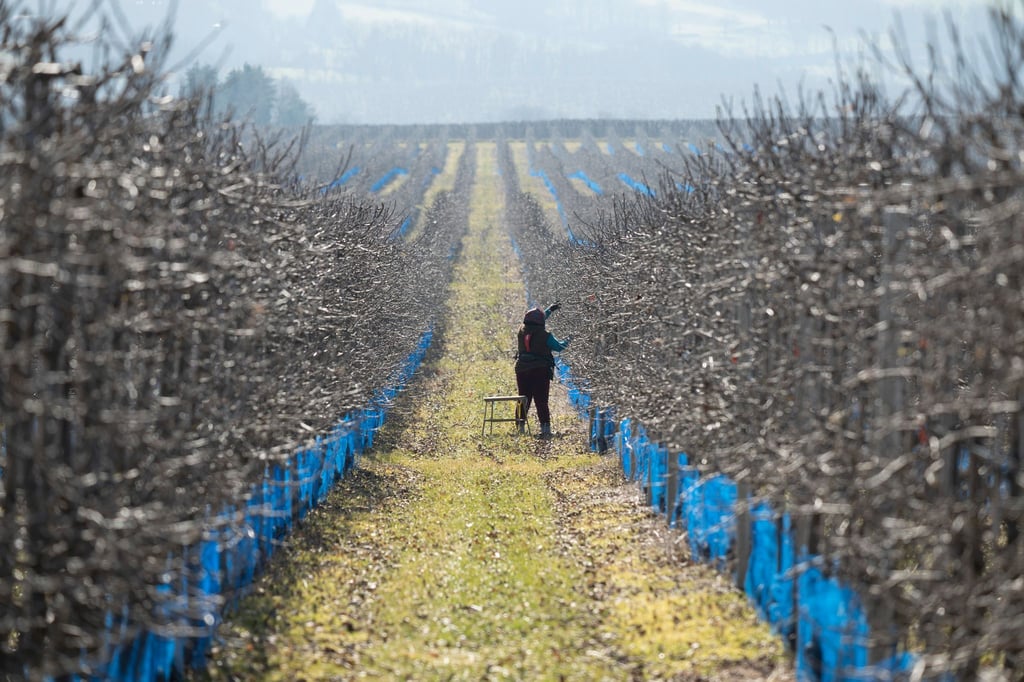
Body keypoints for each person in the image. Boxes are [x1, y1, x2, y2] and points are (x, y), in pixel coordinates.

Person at [514, 302, 571, 438]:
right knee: (541, 401)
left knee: (523, 399)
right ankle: (545, 430)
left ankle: (520, 427)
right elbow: (559, 347)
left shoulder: (521, 330)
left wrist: (549, 310)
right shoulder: (546, 336)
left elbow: (537, 319)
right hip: (540, 371)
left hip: (522, 369)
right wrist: (570, 339)